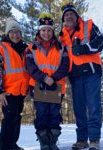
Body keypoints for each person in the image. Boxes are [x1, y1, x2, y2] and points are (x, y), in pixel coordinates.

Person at [59, 3, 103, 150]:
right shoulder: (62, 36)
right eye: (66, 15)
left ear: (76, 16)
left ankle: (94, 140)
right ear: (63, 19)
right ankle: (82, 139)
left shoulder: (88, 26)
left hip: (91, 72)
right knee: (79, 109)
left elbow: (100, 42)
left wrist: (84, 49)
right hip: (75, 76)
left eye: (71, 14)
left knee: (93, 106)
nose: (69, 17)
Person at [26, 13, 69, 150]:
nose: (46, 33)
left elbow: (65, 65)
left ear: (53, 31)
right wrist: (44, 78)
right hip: (38, 86)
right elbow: (30, 67)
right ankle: (44, 143)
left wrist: (53, 78)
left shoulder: (61, 47)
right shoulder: (31, 47)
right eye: (43, 30)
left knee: (55, 114)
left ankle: (53, 142)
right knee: (42, 114)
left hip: (57, 86)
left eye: (49, 30)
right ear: (39, 31)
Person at [0, 17, 29, 150]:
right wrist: (0, 90)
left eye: (18, 32)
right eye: (12, 32)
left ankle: (13, 144)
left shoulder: (24, 48)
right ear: (7, 33)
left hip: (21, 90)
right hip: (8, 91)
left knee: (16, 118)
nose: (15, 35)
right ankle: (5, 147)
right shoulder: (0, 48)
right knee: (9, 119)